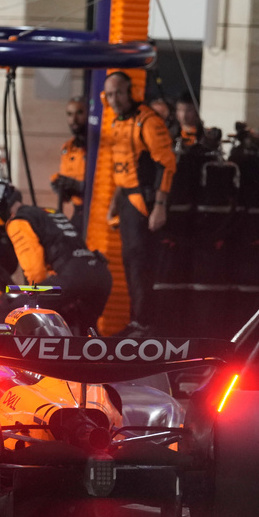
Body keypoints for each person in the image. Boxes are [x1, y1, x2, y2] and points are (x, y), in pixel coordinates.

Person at [0, 178, 111, 333]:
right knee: (83, 331)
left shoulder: (17, 222)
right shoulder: (49, 212)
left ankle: (3, 356)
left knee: (6, 308)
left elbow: (35, 273)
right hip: (100, 275)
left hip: (72, 277)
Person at [103, 71, 177, 336]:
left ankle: (143, 324)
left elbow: (167, 163)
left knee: (140, 265)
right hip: (127, 199)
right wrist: (115, 201)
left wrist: (160, 204)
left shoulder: (147, 121)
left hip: (144, 201)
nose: (114, 100)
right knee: (130, 264)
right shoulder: (118, 122)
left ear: (130, 92)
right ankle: (137, 321)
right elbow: (122, 168)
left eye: (119, 93)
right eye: (110, 95)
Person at [50, 95, 88, 229]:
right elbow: (66, 195)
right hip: (77, 211)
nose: (74, 120)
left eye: (80, 113)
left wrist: (79, 186)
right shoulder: (67, 148)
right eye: (70, 114)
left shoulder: (96, 148)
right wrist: (59, 185)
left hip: (95, 210)